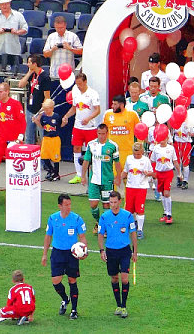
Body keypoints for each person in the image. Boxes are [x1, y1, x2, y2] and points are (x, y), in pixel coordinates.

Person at [41, 193, 87, 321]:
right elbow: (48, 236)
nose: (69, 207)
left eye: (70, 204)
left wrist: (84, 251)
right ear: (59, 206)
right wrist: (44, 254)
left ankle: (74, 310)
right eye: (66, 205)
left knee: (72, 280)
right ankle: (65, 299)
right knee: (56, 281)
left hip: (72, 255)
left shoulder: (77, 219)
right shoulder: (52, 218)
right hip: (57, 253)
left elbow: (82, 237)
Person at [98, 190, 138, 319]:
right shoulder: (104, 217)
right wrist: (101, 250)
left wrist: (135, 251)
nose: (113, 205)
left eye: (115, 202)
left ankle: (124, 306)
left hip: (124, 251)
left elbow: (133, 233)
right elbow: (100, 234)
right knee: (114, 278)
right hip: (111, 251)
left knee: (124, 279)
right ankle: (118, 305)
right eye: (111, 202)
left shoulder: (127, 216)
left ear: (120, 202)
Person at [81, 124, 121, 232]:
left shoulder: (113, 146)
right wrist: (83, 176)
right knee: (93, 204)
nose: (101, 136)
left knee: (106, 204)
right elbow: (86, 161)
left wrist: (118, 176)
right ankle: (99, 222)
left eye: (103, 134)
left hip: (107, 180)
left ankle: (105, 227)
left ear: (107, 133)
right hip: (94, 180)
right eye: (99, 134)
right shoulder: (91, 145)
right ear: (97, 133)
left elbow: (117, 163)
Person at [63, 73, 101, 184]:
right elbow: (74, 108)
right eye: (77, 84)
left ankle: (93, 174)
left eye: (80, 84)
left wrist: (88, 118)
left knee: (92, 150)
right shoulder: (76, 93)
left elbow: (97, 110)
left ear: (85, 82)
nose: (79, 86)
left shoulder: (93, 93)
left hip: (90, 128)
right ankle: (78, 174)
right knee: (76, 149)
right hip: (78, 126)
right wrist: (66, 116)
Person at [0, 0, 29, 73]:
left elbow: (25, 28)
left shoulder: (18, 15)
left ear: (9, 3)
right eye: (2, 4)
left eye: (6, 4)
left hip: (14, 49)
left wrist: (17, 32)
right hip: (0, 49)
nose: (4, 6)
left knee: (14, 73)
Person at [122, 142, 154, 239]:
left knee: (140, 209)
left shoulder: (146, 160)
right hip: (130, 187)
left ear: (142, 152)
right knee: (129, 209)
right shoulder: (129, 159)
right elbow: (125, 171)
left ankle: (140, 229)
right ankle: (130, 227)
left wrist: (147, 173)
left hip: (141, 188)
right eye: (135, 154)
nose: (137, 156)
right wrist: (118, 179)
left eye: (139, 154)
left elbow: (152, 173)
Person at [19, 54, 51, 145]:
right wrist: (29, 73)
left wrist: (41, 113)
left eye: (29, 62)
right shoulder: (32, 74)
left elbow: (47, 97)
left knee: (42, 135)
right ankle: (29, 155)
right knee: (29, 136)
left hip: (40, 111)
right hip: (30, 109)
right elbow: (21, 85)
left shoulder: (45, 77)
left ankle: (43, 157)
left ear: (35, 64)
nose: (27, 64)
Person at [151, 127, 181, 225]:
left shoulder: (171, 148)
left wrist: (179, 173)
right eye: (161, 138)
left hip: (168, 173)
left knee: (167, 193)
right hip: (159, 173)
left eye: (164, 138)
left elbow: (175, 161)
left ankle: (169, 214)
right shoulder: (156, 148)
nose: (163, 140)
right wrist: (152, 173)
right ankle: (165, 212)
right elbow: (153, 161)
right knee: (162, 193)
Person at [103, 94, 139, 170]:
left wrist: (138, 148)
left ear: (122, 105)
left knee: (129, 177)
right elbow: (103, 132)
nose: (112, 106)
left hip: (128, 152)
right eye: (112, 104)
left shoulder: (132, 114)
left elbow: (139, 132)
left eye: (115, 104)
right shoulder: (108, 114)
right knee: (114, 178)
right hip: (113, 151)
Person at [35, 99, 62, 181]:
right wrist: (36, 121)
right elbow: (42, 126)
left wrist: (65, 121)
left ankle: (56, 173)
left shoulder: (56, 116)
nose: (46, 111)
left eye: (48, 109)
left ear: (52, 108)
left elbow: (60, 125)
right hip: (46, 138)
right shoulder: (43, 116)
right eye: (45, 109)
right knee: (44, 156)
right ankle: (51, 170)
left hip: (55, 139)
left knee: (55, 157)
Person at [173, 120, 194, 189]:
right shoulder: (175, 122)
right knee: (177, 162)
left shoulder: (189, 123)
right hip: (177, 143)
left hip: (186, 144)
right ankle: (179, 177)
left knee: (185, 163)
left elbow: (193, 133)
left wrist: (190, 134)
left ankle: (185, 180)